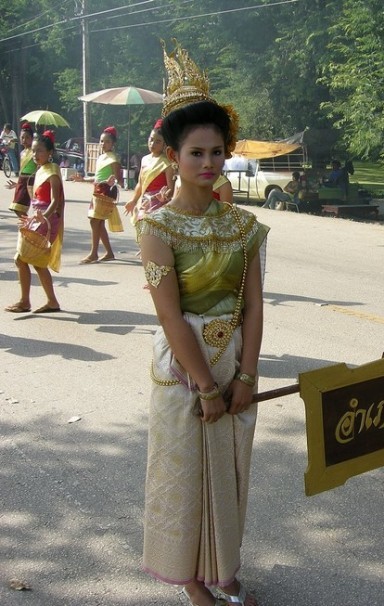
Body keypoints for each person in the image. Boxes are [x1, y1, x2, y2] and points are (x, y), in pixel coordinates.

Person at [139, 41, 268, 606]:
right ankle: (192, 580)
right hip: (185, 370)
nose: (209, 164)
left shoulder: (245, 226)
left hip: (232, 363)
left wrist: (246, 376)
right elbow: (169, 315)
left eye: (217, 152)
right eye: (196, 153)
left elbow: (255, 306)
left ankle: (224, 566)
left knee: (230, 472)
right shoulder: (156, 228)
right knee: (185, 477)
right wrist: (208, 386)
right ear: (173, 156)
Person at [4, 131, 64, 314]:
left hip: (46, 220)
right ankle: (49, 302)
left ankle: (25, 301)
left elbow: (55, 200)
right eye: (34, 151)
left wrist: (43, 217)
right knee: (35, 263)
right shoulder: (41, 169)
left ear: (49, 152)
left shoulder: (52, 171)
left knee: (21, 259)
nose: (36, 155)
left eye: (39, 151)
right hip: (37, 218)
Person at [82, 126, 124, 263]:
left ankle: (94, 253)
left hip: (106, 192)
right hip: (98, 189)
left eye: (106, 141)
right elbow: (96, 178)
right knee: (97, 222)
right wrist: (81, 179)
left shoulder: (113, 158)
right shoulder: (101, 157)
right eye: (101, 141)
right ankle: (109, 252)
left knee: (95, 221)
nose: (103, 144)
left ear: (113, 144)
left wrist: (112, 182)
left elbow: (118, 177)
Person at [124, 119, 175, 225]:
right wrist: (133, 201)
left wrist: (164, 196)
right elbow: (140, 184)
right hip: (144, 202)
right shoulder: (144, 159)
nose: (153, 143)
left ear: (164, 144)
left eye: (158, 141)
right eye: (151, 139)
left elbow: (171, 189)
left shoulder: (167, 164)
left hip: (159, 205)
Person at [6, 122, 36, 216]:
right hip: (22, 182)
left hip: (30, 181)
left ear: (32, 139)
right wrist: (17, 184)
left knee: (19, 208)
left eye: (27, 137)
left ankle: (28, 228)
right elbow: (23, 170)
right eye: (22, 137)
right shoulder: (22, 152)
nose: (24, 140)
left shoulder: (34, 152)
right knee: (17, 208)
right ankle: (26, 227)